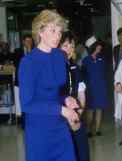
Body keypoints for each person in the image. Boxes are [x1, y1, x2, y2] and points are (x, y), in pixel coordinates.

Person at [18, 9, 79, 161]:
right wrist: (61, 109)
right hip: (39, 129)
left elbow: (56, 92)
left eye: (59, 32)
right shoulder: (28, 63)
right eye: (53, 30)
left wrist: (66, 99)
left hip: (59, 126)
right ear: (40, 31)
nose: (57, 36)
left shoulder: (60, 56)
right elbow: (27, 104)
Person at [60, 31, 90, 161]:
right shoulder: (54, 68)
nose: (69, 49)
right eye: (65, 45)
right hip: (59, 119)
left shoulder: (75, 67)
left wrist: (78, 115)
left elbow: (81, 93)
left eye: (71, 46)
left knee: (81, 152)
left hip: (76, 117)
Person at [82, 36, 109, 137]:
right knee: (90, 110)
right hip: (90, 88)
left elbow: (105, 73)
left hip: (101, 87)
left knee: (99, 109)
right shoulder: (86, 60)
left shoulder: (102, 59)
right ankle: (88, 130)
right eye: (98, 46)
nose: (100, 47)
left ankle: (97, 130)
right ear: (93, 47)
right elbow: (83, 76)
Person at [14, 34, 34, 125]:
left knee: (31, 102)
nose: (28, 43)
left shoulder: (35, 51)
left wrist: (30, 52)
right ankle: (23, 122)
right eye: (27, 41)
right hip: (21, 81)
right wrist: (28, 53)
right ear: (23, 42)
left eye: (30, 41)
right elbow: (18, 64)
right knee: (22, 102)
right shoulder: (17, 51)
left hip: (32, 83)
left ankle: (31, 121)